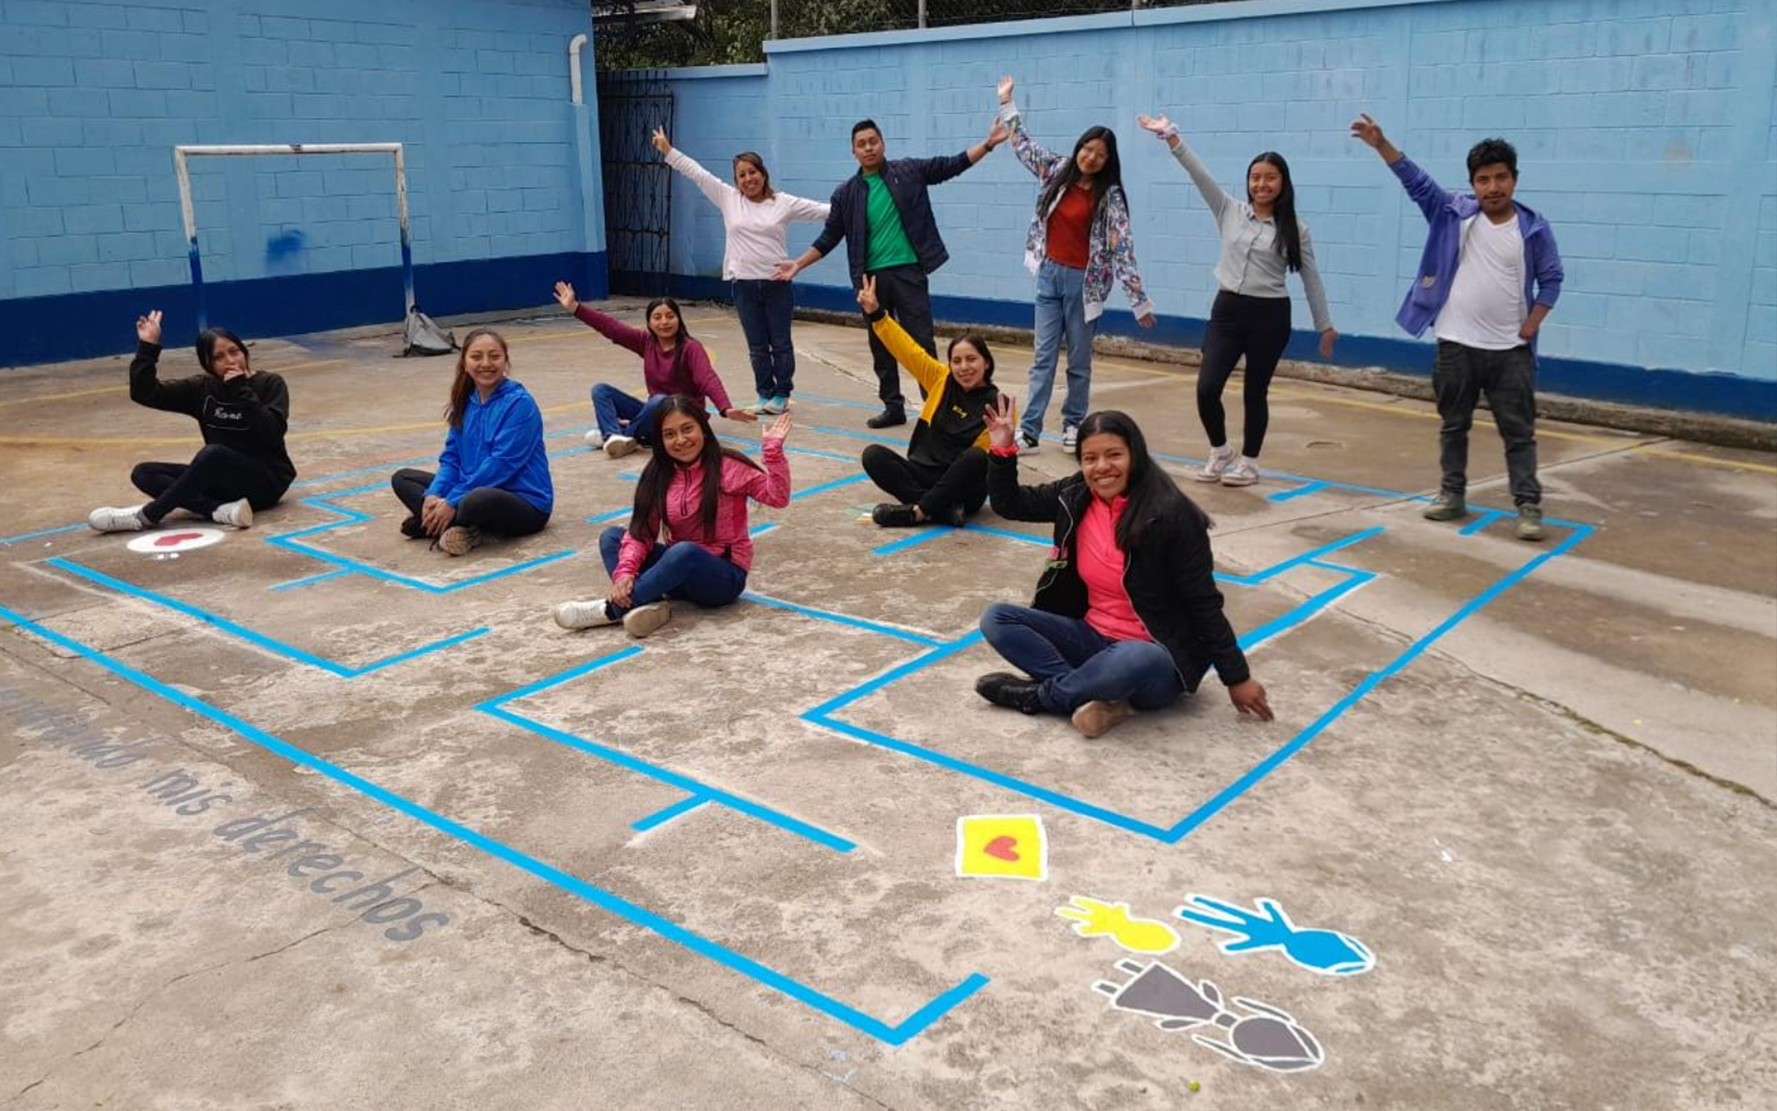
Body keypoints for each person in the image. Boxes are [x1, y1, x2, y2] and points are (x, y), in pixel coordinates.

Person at [975, 400, 1272, 739]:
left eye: (1114, 455)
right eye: (1090, 458)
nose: (1102, 467)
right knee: (997, 618)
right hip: (1093, 637)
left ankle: (1041, 697)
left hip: (1156, 657)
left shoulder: (1173, 515)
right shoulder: (1074, 494)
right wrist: (1002, 449)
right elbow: (1010, 504)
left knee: (1133, 657)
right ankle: (1093, 697)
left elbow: (1204, 604)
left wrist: (1237, 677)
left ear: (1135, 455)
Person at [1351, 114, 1562, 541]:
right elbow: (1417, 182)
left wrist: (1530, 327)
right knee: (1453, 425)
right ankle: (1452, 495)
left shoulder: (1533, 228)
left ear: (1514, 180)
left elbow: (1552, 279)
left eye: (1501, 177)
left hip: (1511, 353)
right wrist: (1381, 144)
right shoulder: (1453, 214)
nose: (1493, 187)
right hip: (1456, 346)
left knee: (1519, 434)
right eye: (1483, 179)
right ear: (1473, 183)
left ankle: (1528, 506)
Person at [1137, 112, 1338, 487]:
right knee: (1207, 387)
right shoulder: (1229, 210)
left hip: (1270, 315)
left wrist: (1324, 324)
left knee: (1254, 391)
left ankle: (1249, 461)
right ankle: (1220, 450)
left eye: (1270, 178)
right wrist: (1170, 137)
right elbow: (1200, 175)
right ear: (1248, 181)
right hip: (1227, 310)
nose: (1261, 184)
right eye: (1255, 177)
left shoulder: (1296, 230)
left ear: (1283, 183)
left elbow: (1311, 277)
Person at [776, 115, 1009, 429]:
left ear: (883, 144)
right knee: (881, 345)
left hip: (909, 273)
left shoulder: (908, 171)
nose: (869, 148)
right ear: (853, 151)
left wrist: (989, 144)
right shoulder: (846, 193)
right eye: (861, 144)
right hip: (870, 282)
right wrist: (798, 264)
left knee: (921, 342)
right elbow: (830, 236)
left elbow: (950, 165)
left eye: (873, 141)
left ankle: (935, 406)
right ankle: (893, 406)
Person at [997, 76, 1154, 455]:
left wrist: (1139, 300)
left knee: (1079, 362)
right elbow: (1024, 146)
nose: (1090, 157)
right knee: (1043, 357)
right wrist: (1007, 105)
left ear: (1107, 161)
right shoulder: (1057, 170)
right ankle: (1030, 429)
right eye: (1087, 148)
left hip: (1085, 286)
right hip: (1049, 276)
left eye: (1099, 154)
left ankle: (1073, 425)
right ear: (1079, 147)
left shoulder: (1110, 196)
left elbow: (1122, 246)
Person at [553, 398, 792, 638]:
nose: (680, 440)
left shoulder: (728, 466)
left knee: (684, 551)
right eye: (669, 434)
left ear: (703, 429)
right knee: (612, 538)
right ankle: (648, 604)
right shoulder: (658, 473)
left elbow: (777, 497)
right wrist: (624, 573)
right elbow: (642, 533)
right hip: (677, 574)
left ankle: (610, 610)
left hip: (721, 579)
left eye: (687, 429)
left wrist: (773, 453)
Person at [653, 128, 830, 415]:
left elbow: (823, 211)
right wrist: (668, 151)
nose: (748, 179)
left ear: (763, 173)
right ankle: (764, 394)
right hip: (743, 285)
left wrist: (857, 203)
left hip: (777, 284)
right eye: (742, 175)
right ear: (736, 180)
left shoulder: (782, 202)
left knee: (781, 344)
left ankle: (782, 394)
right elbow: (698, 174)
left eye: (753, 172)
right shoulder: (728, 198)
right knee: (757, 345)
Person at [88, 310, 295, 533]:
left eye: (234, 352)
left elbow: (272, 432)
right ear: (207, 364)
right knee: (144, 473)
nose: (230, 361)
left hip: (265, 483)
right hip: (223, 484)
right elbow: (145, 393)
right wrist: (148, 347)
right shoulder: (202, 389)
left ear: (244, 351)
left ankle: (147, 516)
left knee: (213, 453)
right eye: (218, 357)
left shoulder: (270, 383)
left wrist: (241, 391)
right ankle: (217, 510)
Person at [389, 328, 552, 556]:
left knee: (476, 500)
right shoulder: (465, 401)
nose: (486, 363)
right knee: (403, 479)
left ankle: (445, 524)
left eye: (494, 356)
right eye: (476, 357)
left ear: (505, 361)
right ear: (465, 363)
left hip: (524, 503)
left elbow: (502, 464)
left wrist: (453, 499)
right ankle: (448, 523)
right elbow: (452, 459)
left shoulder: (519, 404)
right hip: (470, 487)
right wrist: (434, 495)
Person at [854, 274, 998, 528]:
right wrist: (877, 314)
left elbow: (991, 464)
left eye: (971, 359)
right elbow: (907, 349)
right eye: (957, 361)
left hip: (962, 486)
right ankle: (942, 511)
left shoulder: (998, 403)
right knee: (873, 456)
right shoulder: (940, 378)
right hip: (922, 474)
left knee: (976, 458)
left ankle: (919, 511)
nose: (964, 367)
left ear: (986, 363)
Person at [557, 284, 755, 456]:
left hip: (683, 416)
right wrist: (576, 308)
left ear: (679, 319)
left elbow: (707, 378)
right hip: (656, 412)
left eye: (670, 316)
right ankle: (617, 436)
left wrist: (725, 408)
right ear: (649, 323)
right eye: (657, 317)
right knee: (601, 390)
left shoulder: (690, 348)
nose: (664, 322)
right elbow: (612, 328)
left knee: (660, 401)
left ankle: (620, 435)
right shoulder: (646, 342)